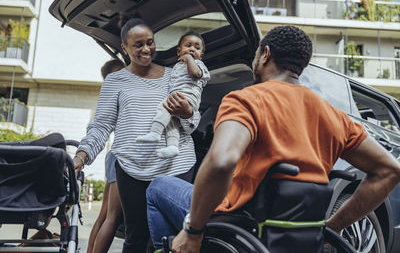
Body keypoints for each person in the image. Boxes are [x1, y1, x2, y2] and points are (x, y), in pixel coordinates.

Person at [145, 25, 400, 252]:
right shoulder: (336, 117)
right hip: (300, 233)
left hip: (238, 222)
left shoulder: (246, 99)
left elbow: (222, 161)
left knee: (158, 187)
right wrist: (332, 227)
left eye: (255, 55)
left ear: (265, 54)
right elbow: (389, 170)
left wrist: (193, 231)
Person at [73, 17, 200, 253]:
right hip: (132, 168)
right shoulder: (115, 81)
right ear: (125, 48)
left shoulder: (176, 75)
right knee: (136, 237)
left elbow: (192, 120)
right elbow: (101, 126)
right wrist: (81, 157)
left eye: (150, 42)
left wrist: (187, 113)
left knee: (172, 237)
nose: (146, 49)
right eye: (138, 44)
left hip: (176, 165)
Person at [136, 31, 210, 158]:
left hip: (187, 97)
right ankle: (173, 146)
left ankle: (155, 133)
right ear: (178, 52)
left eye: (197, 48)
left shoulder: (198, 64)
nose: (192, 49)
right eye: (188, 45)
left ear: (201, 56)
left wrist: (189, 59)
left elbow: (196, 74)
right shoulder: (177, 66)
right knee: (171, 123)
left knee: (163, 107)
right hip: (178, 96)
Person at [86, 59, 125, 253]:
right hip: (120, 158)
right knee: (111, 217)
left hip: (115, 156)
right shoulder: (116, 95)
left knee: (105, 216)